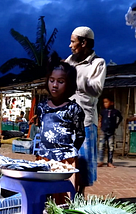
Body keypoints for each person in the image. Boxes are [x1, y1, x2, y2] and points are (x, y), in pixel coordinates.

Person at [65, 26, 107, 195]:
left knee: (82, 166)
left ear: (83, 43)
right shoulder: (69, 60)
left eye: (72, 41)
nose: (70, 45)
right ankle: (65, 196)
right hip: (66, 120)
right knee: (66, 162)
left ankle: (79, 199)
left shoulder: (98, 63)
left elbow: (96, 89)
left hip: (85, 122)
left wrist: (72, 76)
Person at [36, 58, 85, 165]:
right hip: (44, 158)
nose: (54, 85)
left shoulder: (74, 109)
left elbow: (80, 135)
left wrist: (72, 154)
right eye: (51, 80)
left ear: (69, 84)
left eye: (60, 82)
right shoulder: (42, 107)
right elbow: (41, 128)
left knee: (64, 182)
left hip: (66, 160)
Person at [97, 96, 123, 168]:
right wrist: (99, 123)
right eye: (104, 102)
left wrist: (116, 125)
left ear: (111, 103)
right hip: (103, 130)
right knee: (101, 146)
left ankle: (110, 162)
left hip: (111, 131)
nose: (105, 104)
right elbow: (100, 118)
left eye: (106, 102)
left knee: (111, 147)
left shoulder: (115, 112)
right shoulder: (103, 111)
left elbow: (120, 117)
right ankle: (100, 161)